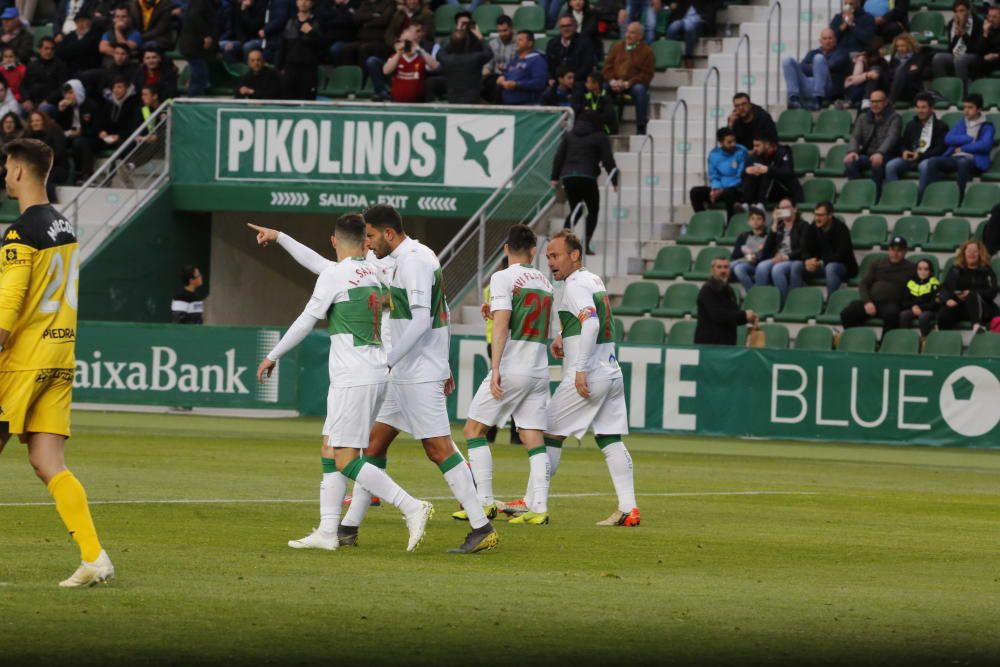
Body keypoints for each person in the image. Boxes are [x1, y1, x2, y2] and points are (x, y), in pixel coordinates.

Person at [255, 205, 499, 554]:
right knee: (372, 446)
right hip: (397, 369)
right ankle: (347, 527)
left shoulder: (414, 260)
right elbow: (328, 268)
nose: (366, 243)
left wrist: (408, 363)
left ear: (387, 233)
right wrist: (280, 237)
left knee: (438, 447)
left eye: (370, 236)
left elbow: (424, 320)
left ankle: (480, 525)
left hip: (413, 370)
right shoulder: (390, 261)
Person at [0, 137, 114, 586]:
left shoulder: (20, 231)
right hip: (59, 358)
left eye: (8, 166)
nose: (6, 174)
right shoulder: (64, 226)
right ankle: (94, 557)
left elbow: (9, 303)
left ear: (21, 171)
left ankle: (94, 558)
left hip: (21, 364)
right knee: (49, 462)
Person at [540, 230, 639, 527]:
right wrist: (561, 336)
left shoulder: (574, 285)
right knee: (609, 438)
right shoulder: (592, 279)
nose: (550, 262)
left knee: (547, 433)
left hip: (589, 374)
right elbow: (589, 318)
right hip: (610, 370)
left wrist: (580, 368)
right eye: (547, 257)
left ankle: (533, 502)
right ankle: (628, 508)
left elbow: (591, 322)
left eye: (555, 255)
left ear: (574, 255)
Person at [457, 224, 554, 525]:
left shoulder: (502, 277)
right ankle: (539, 507)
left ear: (505, 248)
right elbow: (533, 323)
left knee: (473, 430)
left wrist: (496, 366)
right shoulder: (545, 283)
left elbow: (501, 326)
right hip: (539, 367)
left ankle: (484, 502)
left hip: (513, 366)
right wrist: (497, 312)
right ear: (534, 250)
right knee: (531, 436)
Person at [551, 110, 619, 255]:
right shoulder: (600, 137)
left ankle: (563, 242)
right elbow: (608, 160)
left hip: (568, 177)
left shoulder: (569, 136)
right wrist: (614, 180)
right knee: (592, 210)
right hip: (588, 177)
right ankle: (585, 244)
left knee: (576, 209)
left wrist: (554, 177)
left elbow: (559, 157)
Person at [919, 93, 995, 200]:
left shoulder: (987, 126)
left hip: (974, 160)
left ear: (979, 109)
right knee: (932, 161)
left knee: (963, 162)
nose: (966, 111)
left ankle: (959, 197)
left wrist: (963, 148)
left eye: (970, 108)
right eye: (964, 107)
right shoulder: (962, 123)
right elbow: (948, 138)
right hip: (955, 157)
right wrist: (968, 139)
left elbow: (985, 145)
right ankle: (934, 195)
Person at [840, 235, 915, 333]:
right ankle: (856, 340)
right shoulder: (878, 264)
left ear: (905, 252)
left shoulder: (911, 268)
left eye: (899, 251)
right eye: (893, 250)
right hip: (872, 302)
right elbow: (864, 284)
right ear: (889, 250)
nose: (895, 254)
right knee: (847, 313)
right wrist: (867, 301)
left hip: (892, 304)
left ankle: (885, 344)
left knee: (892, 314)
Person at [843, 89, 900, 192]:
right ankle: (857, 191)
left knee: (877, 163)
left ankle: (875, 196)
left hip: (887, 155)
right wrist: (853, 151)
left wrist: (880, 153)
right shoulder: (863, 117)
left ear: (886, 102)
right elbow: (855, 136)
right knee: (850, 162)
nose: (874, 104)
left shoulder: (895, 117)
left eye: (878, 101)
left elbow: (892, 138)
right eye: (872, 102)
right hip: (867, 155)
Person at [601, 22, 654, 135]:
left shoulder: (647, 51)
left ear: (640, 36)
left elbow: (646, 75)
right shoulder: (617, 46)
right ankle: (607, 124)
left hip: (633, 84)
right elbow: (606, 67)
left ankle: (641, 126)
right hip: (615, 82)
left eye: (632, 33)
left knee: (640, 90)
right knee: (604, 87)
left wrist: (627, 83)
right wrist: (613, 81)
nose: (628, 35)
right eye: (627, 32)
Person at [885, 92, 948, 182]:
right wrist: (904, 151)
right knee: (891, 166)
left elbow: (939, 149)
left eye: (923, 107)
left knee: (925, 166)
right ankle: (896, 194)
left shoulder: (941, 126)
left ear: (932, 108)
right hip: (910, 159)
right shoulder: (911, 125)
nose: (920, 111)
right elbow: (903, 143)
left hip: (927, 159)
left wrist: (920, 156)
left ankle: (921, 195)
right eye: (918, 107)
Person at [694, 256, 758, 345]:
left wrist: (747, 318)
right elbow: (719, 315)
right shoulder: (707, 290)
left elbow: (733, 316)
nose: (723, 271)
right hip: (709, 346)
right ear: (712, 270)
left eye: (726, 267)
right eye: (719, 267)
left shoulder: (730, 290)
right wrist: (744, 314)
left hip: (727, 345)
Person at [782, 28, 850, 110]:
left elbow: (831, 65)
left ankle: (818, 99)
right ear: (820, 41)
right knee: (787, 61)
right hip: (810, 85)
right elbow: (802, 68)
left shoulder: (841, 52)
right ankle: (793, 99)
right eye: (824, 38)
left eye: (830, 38)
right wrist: (817, 68)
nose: (827, 41)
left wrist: (817, 66)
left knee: (819, 59)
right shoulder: (813, 53)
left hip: (828, 88)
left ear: (835, 39)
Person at [938, 239, 999, 331]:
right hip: (961, 305)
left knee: (972, 295)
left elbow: (992, 291)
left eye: (975, 251)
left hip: (983, 307)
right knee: (944, 313)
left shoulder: (987, 270)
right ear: (964, 253)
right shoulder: (955, 270)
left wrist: (972, 293)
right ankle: (945, 338)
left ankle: (977, 326)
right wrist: (947, 300)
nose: (972, 254)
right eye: (969, 251)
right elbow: (945, 287)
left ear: (980, 254)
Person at [759, 198, 812, 300]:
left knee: (777, 270)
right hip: (779, 257)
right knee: (761, 267)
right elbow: (767, 250)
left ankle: (785, 302)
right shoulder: (779, 226)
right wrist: (774, 223)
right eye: (781, 208)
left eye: (786, 207)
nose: (783, 210)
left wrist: (785, 257)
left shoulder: (804, 226)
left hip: (794, 258)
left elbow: (804, 249)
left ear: (795, 209)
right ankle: (762, 300)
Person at [802, 201, 858, 295]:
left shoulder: (841, 228)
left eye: (820, 215)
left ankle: (831, 302)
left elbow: (841, 254)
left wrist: (821, 262)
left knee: (830, 267)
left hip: (841, 266)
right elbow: (805, 248)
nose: (817, 218)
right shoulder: (812, 227)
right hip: (818, 265)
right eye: (815, 215)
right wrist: (807, 260)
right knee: (796, 267)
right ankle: (798, 300)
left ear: (830, 215)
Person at [690, 127, 747, 219]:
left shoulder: (741, 152)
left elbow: (740, 176)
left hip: (735, 189)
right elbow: (713, 175)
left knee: (730, 193)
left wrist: (722, 190)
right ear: (721, 143)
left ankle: (730, 224)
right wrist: (716, 188)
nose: (733, 144)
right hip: (720, 189)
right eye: (729, 142)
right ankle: (702, 220)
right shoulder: (714, 154)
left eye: (734, 141)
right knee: (695, 192)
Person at [278, 0, 324, 101]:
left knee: (307, 99)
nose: (303, 3)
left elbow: (323, 46)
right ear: (296, 3)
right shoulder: (289, 21)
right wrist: (280, 67)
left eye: (306, 0)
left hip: (308, 68)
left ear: (312, 3)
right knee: (288, 99)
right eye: (300, 0)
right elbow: (283, 46)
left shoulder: (318, 21)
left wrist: (311, 33)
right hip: (291, 67)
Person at [932, 0, 982, 91]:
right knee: (938, 58)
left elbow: (976, 48)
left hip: (973, 55)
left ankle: (962, 91)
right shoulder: (952, 23)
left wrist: (963, 33)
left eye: (962, 10)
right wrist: (956, 35)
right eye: (956, 11)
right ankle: (944, 88)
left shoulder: (978, 23)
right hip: (957, 53)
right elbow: (950, 49)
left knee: (960, 60)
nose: (959, 14)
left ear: (968, 10)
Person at [741, 135, 803, 208]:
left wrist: (768, 169)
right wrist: (747, 170)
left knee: (767, 172)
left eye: (757, 145)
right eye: (754, 145)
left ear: (767, 145)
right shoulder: (756, 154)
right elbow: (743, 173)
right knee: (752, 173)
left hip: (785, 192)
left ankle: (761, 205)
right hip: (766, 192)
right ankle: (745, 204)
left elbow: (787, 172)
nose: (754, 148)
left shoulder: (783, 153)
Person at [54, 79, 98, 183]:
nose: (67, 97)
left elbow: (96, 128)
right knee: (57, 141)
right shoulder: (67, 107)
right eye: (66, 94)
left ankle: (85, 174)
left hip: (90, 137)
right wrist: (60, 111)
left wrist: (81, 132)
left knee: (80, 142)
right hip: (72, 135)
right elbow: (60, 127)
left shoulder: (91, 105)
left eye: (70, 93)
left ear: (78, 92)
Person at [383, 26, 438, 103]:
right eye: (404, 42)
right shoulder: (395, 57)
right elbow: (386, 71)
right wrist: (399, 53)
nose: (407, 45)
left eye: (410, 42)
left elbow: (435, 66)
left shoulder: (422, 58)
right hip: (397, 103)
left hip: (418, 103)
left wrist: (420, 49)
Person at [178, 0, 218, 98]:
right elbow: (194, 16)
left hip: (194, 45)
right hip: (193, 45)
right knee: (200, 76)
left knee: (199, 75)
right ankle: (192, 104)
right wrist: (205, 35)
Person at [545, 13, 594, 93]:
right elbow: (548, 65)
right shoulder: (552, 43)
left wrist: (572, 78)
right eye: (563, 26)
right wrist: (552, 78)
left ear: (575, 27)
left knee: (579, 88)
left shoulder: (585, 42)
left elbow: (587, 66)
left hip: (577, 79)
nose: (565, 29)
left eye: (568, 26)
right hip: (558, 79)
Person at [728, 207, 773, 292]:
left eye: (759, 219)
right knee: (732, 267)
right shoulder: (743, 236)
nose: (755, 221)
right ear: (749, 222)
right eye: (752, 219)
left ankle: (753, 293)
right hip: (744, 261)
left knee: (735, 267)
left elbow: (768, 256)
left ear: (764, 222)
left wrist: (756, 255)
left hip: (758, 264)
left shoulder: (768, 237)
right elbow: (735, 255)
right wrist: (743, 251)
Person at [498, 31, 547, 106]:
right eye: (516, 40)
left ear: (530, 43)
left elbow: (539, 83)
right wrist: (502, 79)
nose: (516, 43)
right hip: (508, 106)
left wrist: (517, 85)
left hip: (527, 107)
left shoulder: (537, 60)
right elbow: (507, 76)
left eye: (520, 40)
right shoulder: (514, 61)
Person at [21, 38, 70, 112]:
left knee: (44, 109)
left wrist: (48, 101)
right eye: (46, 48)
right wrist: (27, 99)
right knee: (20, 110)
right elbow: (23, 85)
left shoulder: (60, 65)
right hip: (32, 101)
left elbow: (62, 87)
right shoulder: (31, 65)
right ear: (39, 50)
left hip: (51, 102)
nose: (49, 51)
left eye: (52, 49)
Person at [899, 257, 941, 338]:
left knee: (923, 317)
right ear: (916, 270)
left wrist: (921, 308)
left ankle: (925, 340)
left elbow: (934, 303)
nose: (923, 272)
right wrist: (914, 307)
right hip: (913, 309)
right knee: (903, 315)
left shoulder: (934, 283)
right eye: (920, 269)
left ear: (930, 271)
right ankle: (905, 338)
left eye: (926, 269)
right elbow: (904, 301)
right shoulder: (910, 282)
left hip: (929, 310)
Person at [886, 32, 930, 106]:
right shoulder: (895, 57)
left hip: (910, 90)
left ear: (909, 45)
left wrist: (900, 72)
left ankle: (890, 102)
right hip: (895, 87)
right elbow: (889, 74)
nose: (899, 49)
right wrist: (906, 70)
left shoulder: (918, 56)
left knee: (900, 70)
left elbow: (915, 73)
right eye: (897, 46)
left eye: (903, 46)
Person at [96, 76, 139, 152]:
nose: (116, 90)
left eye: (119, 87)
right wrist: (101, 131)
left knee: (125, 145)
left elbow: (132, 125)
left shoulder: (134, 103)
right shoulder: (109, 102)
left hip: (124, 137)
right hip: (109, 137)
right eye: (114, 87)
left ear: (127, 88)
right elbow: (102, 120)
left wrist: (119, 136)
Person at [841, 40, 888, 109]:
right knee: (874, 71)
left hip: (875, 89)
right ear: (876, 49)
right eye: (882, 48)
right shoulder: (862, 59)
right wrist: (867, 75)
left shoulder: (884, 60)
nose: (885, 50)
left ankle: (867, 100)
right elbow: (855, 80)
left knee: (876, 71)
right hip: (858, 88)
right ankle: (866, 100)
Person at [666, 0, 713, 68]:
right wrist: (671, 4)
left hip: (696, 20)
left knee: (689, 27)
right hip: (681, 18)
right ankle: (668, 55)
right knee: (673, 27)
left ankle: (689, 57)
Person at [55, 10, 102, 76]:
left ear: (89, 22)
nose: (80, 24)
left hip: (88, 70)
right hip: (70, 69)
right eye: (77, 22)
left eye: (83, 21)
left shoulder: (95, 35)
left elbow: (86, 47)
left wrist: (71, 49)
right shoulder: (70, 36)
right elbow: (60, 51)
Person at [482, 14, 515, 102]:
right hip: (496, 76)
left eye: (505, 30)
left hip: (514, 75)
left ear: (511, 28)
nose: (502, 34)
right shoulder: (493, 43)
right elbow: (489, 65)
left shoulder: (519, 42)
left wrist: (507, 69)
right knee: (485, 81)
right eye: (499, 31)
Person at [979, 4, 1000, 79]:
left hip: (998, 59)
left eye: (994, 17)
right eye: (989, 16)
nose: (991, 19)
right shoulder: (987, 29)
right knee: (975, 63)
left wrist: (996, 55)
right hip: (989, 60)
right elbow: (980, 52)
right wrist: (985, 33)